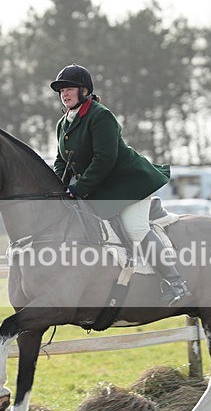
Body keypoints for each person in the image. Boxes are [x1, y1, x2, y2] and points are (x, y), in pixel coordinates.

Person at [50, 64, 191, 305]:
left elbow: (104, 159)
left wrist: (78, 188)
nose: (64, 93)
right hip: (103, 189)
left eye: (69, 88)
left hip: (129, 184)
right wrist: (58, 187)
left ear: (84, 90)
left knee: (135, 228)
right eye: (61, 90)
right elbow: (62, 160)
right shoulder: (64, 123)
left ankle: (175, 283)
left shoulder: (100, 115)